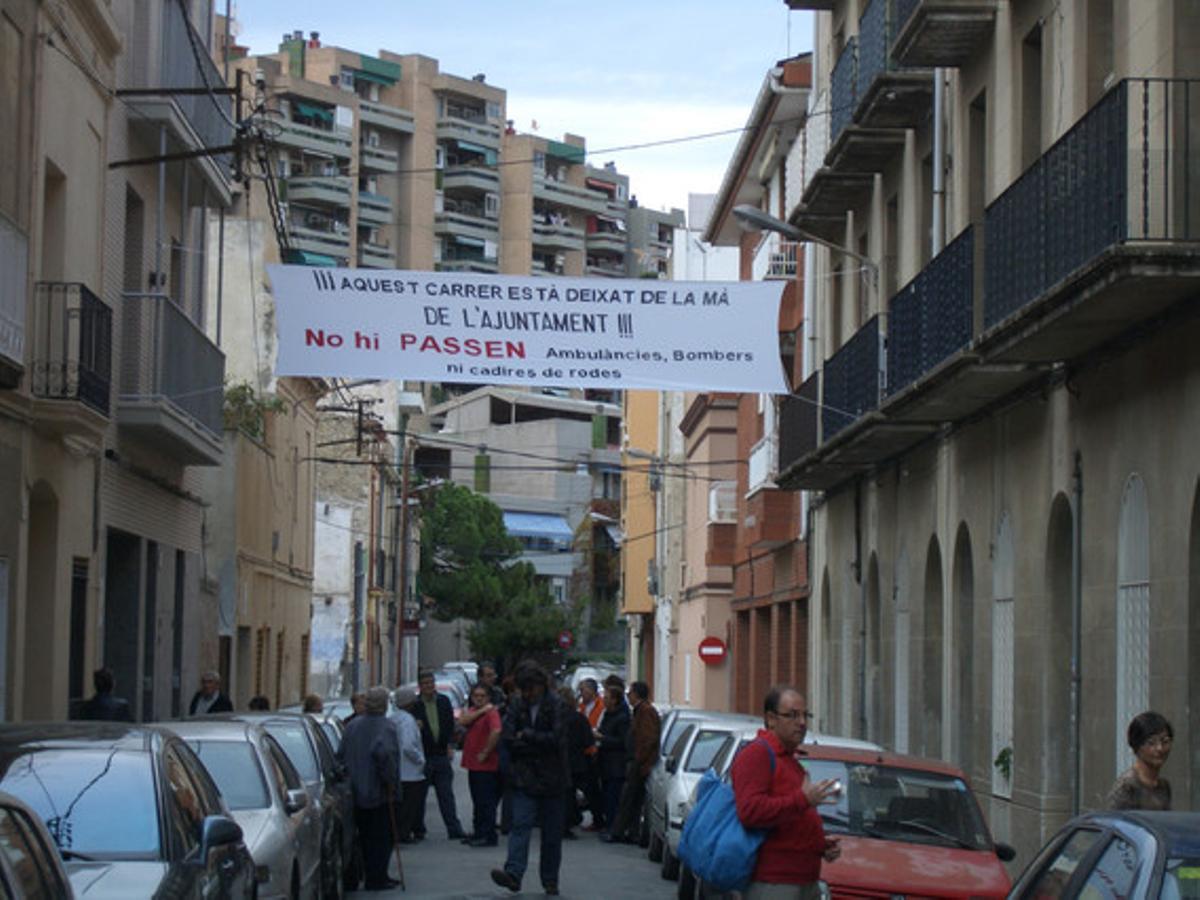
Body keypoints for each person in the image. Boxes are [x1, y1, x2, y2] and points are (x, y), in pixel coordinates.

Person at [731, 685, 840, 899]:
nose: (801, 723)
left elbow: (791, 821)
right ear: (771, 719)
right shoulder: (757, 754)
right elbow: (750, 811)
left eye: (805, 715)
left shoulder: (790, 760)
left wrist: (820, 845)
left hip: (804, 880)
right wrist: (803, 799)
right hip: (774, 882)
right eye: (792, 715)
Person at [490, 663, 570, 896]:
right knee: (520, 826)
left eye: (531, 689)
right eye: (523, 690)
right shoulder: (517, 704)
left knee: (551, 834)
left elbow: (557, 740)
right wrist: (530, 742)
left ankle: (550, 879)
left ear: (542, 686)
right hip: (524, 777)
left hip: (553, 779)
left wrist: (527, 736)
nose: (527, 694)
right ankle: (513, 874)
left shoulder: (557, 705)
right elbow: (507, 737)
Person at [340, 686, 400, 892]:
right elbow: (386, 757)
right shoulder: (386, 727)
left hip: (352, 791)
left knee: (360, 835)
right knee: (381, 837)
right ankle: (377, 877)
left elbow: (341, 755)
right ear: (384, 705)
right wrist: (391, 783)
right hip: (377, 792)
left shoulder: (352, 726)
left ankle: (361, 874)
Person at [408, 670, 465, 840]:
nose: (429, 686)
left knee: (446, 794)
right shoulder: (415, 705)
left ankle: (454, 829)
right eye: (425, 684)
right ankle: (418, 829)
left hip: (440, 753)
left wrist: (449, 744)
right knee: (420, 796)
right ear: (420, 686)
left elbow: (449, 724)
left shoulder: (443, 701)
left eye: (431, 683)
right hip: (423, 755)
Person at [604, 680, 660, 844]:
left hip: (638, 763)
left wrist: (638, 759)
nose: (628, 695)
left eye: (630, 693)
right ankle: (631, 832)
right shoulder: (639, 710)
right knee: (632, 800)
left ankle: (618, 832)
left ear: (636, 694)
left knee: (628, 798)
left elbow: (648, 738)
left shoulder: (645, 711)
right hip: (636, 761)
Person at [459, 683, 503, 847]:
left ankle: (488, 834)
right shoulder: (477, 711)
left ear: (488, 698)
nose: (478, 698)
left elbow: (496, 731)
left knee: (486, 802)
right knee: (477, 801)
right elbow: (463, 720)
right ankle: (478, 832)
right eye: (476, 695)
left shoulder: (492, 713)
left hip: (486, 765)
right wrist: (482, 710)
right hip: (473, 764)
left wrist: (486, 751)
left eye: (482, 696)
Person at [1106, 710, 1173, 810]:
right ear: (1137, 747)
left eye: (1165, 741)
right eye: (1151, 743)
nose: (1160, 748)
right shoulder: (1126, 787)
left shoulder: (1164, 787)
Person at [387, 686, 426, 844]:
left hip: (399, 770)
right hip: (410, 771)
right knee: (409, 806)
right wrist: (420, 759)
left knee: (400, 805)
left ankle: (399, 832)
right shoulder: (408, 721)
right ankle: (404, 833)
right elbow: (408, 746)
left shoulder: (394, 718)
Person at [595, 684, 630, 838]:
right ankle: (608, 826)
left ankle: (613, 829)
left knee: (613, 798)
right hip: (605, 763)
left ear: (615, 700)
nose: (604, 700)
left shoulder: (622, 718)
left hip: (616, 765)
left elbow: (622, 742)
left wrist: (602, 738)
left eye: (607, 698)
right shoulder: (609, 714)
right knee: (607, 796)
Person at [559, 685, 594, 839]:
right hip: (576, 761)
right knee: (572, 793)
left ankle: (561, 822)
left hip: (557, 760)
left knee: (561, 793)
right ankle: (570, 821)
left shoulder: (554, 717)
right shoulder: (579, 718)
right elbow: (589, 741)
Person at [577, 678, 606, 830]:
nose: (581, 693)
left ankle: (598, 818)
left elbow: (598, 728)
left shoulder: (601, 706)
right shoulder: (582, 706)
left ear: (593, 691)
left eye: (584, 690)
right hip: (583, 750)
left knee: (593, 787)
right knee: (588, 787)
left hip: (595, 751)